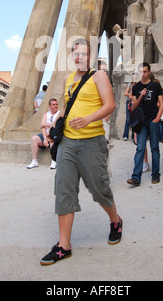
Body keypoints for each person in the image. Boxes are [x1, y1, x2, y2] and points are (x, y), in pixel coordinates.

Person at [40, 39, 122, 266]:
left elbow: (110, 105)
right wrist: (55, 126)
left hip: (91, 142)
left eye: (83, 54)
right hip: (67, 143)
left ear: (91, 55)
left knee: (99, 188)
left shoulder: (99, 76)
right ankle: (63, 246)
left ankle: (115, 221)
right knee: (64, 190)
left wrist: (88, 118)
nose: (79, 58)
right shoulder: (69, 80)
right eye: (75, 54)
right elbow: (67, 107)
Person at [127, 62, 163, 187]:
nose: (143, 74)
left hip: (152, 120)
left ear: (149, 72)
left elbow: (162, 103)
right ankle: (136, 177)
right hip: (141, 122)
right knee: (140, 148)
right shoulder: (136, 87)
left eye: (145, 71)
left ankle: (155, 175)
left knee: (154, 148)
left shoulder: (155, 86)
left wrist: (158, 118)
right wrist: (141, 96)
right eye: (141, 72)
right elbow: (134, 106)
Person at [27, 98, 60, 170]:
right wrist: (45, 138)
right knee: (34, 139)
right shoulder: (46, 114)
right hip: (46, 134)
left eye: (56, 104)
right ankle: (34, 161)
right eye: (54, 104)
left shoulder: (59, 114)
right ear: (49, 106)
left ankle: (54, 161)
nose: (56, 106)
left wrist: (47, 124)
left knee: (52, 140)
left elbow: (55, 125)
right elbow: (42, 127)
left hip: (54, 134)